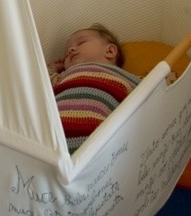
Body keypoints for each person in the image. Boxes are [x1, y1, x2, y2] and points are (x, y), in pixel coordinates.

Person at [47, 23, 140, 154]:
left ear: (110, 51)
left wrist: (164, 75)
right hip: (52, 139)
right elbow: (42, 83)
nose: (70, 50)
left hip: (96, 138)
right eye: (66, 54)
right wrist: (53, 68)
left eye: (81, 43)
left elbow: (150, 88)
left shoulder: (122, 76)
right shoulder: (63, 76)